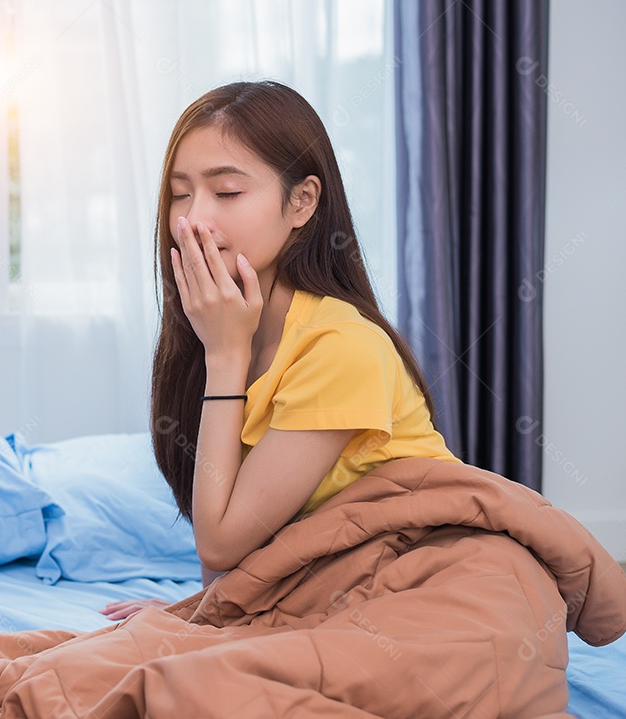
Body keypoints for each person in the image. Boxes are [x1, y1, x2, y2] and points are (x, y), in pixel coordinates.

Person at [100, 80, 460, 621]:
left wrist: (225, 358)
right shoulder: (224, 328)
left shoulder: (342, 346)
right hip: (327, 599)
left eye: (225, 192)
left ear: (301, 202)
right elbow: (226, 557)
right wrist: (199, 613)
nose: (192, 219)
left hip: (427, 591)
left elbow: (220, 544)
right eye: (180, 192)